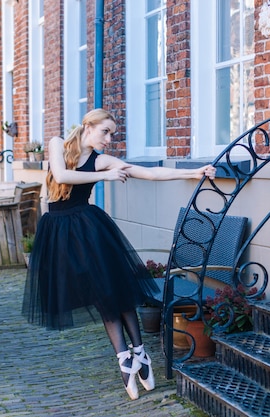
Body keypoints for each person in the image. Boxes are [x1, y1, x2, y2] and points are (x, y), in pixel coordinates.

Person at [22, 108, 216, 400]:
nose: (109, 139)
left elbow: (149, 173)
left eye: (112, 133)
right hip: (61, 233)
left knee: (114, 290)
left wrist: (194, 171)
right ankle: (126, 359)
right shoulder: (56, 143)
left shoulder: (102, 161)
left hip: (89, 229)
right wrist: (106, 176)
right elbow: (61, 175)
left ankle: (136, 354)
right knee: (102, 295)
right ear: (88, 126)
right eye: (105, 131)